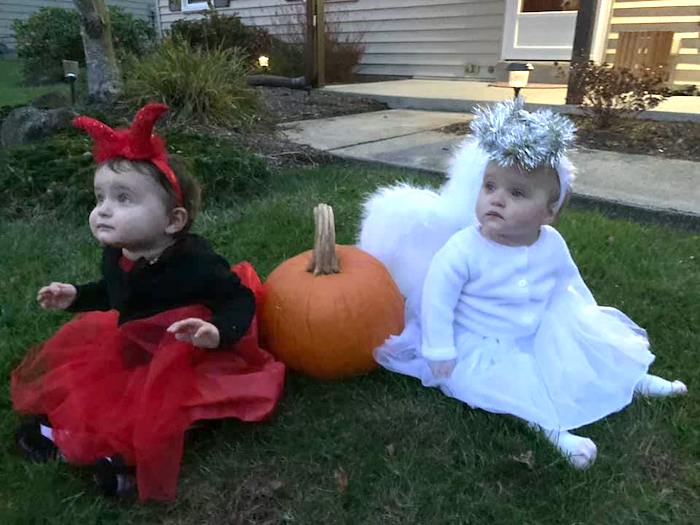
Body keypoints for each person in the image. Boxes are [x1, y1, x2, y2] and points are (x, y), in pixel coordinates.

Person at [359, 98, 687, 469]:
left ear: (549, 212)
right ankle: (552, 430)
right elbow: (438, 299)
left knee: (595, 355)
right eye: (489, 186)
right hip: (485, 340)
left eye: (516, 193)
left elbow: (570, 283)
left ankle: (634, 378)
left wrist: (591, 323)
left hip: (542, 327)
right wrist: (439, 349)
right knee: (512, 386)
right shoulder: (464, 248)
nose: (497, 199)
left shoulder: (551, 244)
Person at [11, 103, 286, 501]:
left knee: (162, 407)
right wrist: (77, 296)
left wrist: (216, 332)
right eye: (100, 197)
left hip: (187, 352)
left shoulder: (194, 262)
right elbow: (115, 291)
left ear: (172, 221)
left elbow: (237, 298)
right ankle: (64, 433)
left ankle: (128, 463)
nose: (104, 209)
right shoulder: (118, 253)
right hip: (135, 345)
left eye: (123, 199)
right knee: (103, 390)